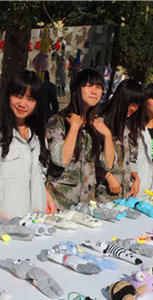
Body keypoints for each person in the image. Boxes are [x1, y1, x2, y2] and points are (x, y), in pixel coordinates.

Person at [0, 70, 55, 222]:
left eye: (30, 99)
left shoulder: (37, 136)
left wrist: (47, 197)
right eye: (18, 96)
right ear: (8, 96)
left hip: (35, 220)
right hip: (3, 221)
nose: (22, 104)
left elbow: (38, 174)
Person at [46, 68, 115, 210]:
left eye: (99, 87)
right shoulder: (59, 121)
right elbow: (61, 159)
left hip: (86, 204)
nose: (95, 91)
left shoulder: (96, 125)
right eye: (89, 86)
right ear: (77, 90)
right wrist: (74, 127)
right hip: (59, 204)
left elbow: (108, 165)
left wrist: (107, 135)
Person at [96, 78, 144, 201]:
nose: (133, 108)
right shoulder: (101, 124)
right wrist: (107, 176)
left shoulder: (131, 126)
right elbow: (89, 161)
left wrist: (135, 177)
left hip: (124, 195)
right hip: (101, 195)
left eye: (137, 105)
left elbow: (132, 158)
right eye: (130, 104)